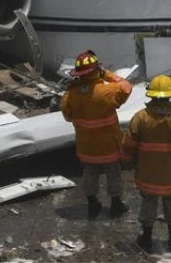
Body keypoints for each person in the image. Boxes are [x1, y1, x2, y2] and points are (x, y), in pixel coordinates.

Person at [122, 75, 171, 253]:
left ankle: (146, 237)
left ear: (151, 95)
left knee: (148, 204)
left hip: (148, 175)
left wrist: (128, 163)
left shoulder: (140, 118)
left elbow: (128, 146)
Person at [61, 50, 133, 218]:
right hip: (109, 145)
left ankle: (92, 203)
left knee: (89, 173)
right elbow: (127, 87)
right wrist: (107, 74)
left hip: (86, 147)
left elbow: (67, 116)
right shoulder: (108, 91)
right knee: (113, 173)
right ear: (96, 70)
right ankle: (116, 204)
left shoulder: (71, 94)